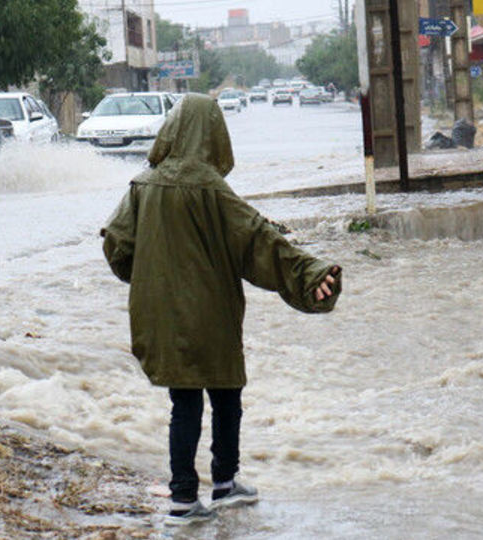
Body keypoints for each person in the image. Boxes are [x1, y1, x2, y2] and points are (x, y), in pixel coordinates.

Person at [100, 94, 342, 527]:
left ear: (172, 130)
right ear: (214, 134)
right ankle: (216, 485)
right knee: (226, 395)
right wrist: (312, 274)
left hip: (163, 315)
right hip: (212, 313)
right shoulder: (214, 190)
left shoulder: (142, 186)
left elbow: (117, 247)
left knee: (185, 401)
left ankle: (190, 495)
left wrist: (151, 279)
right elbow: (259, 241)